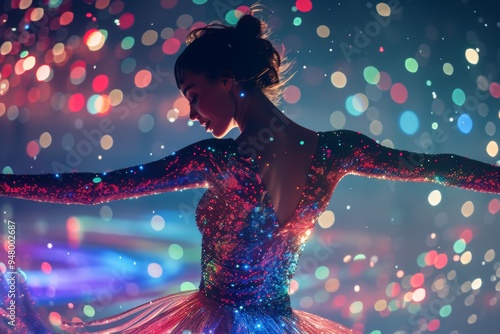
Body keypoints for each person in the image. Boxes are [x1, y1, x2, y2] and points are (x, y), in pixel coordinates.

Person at [1, 12, 499, 334]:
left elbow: (100, 189)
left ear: (228, 79)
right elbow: (438, 168)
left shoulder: (217, 160)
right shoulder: (332, 152)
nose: (192, 112)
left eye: (193, 95)